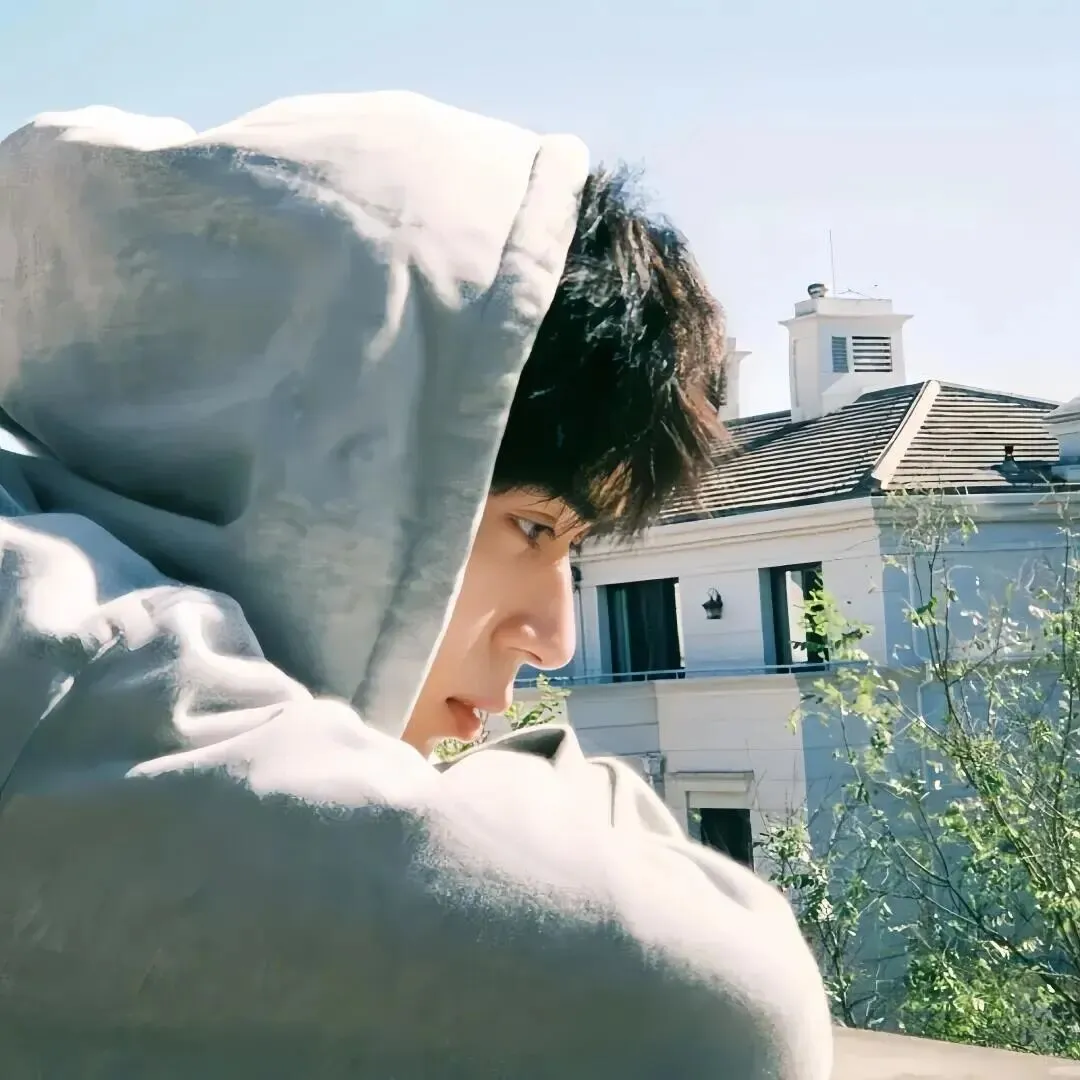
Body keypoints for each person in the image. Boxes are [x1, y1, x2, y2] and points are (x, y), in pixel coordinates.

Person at [0, 92, 831, 1077]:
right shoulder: (71, 685)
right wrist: (553, 796)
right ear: (322, 452)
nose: (555, 635)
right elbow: (730, 1008)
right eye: (533, 527)